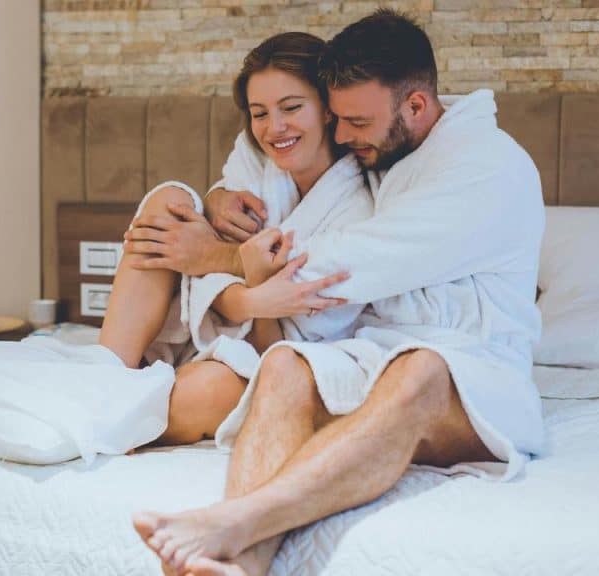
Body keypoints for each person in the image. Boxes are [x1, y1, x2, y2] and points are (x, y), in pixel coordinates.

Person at [130, 9, 546, 575]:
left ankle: (237, 520)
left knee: (422, 369)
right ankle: (241, 567)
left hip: (474, 367)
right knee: (284, 366)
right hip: (375, 351)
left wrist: (215, 256)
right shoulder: (392, 150)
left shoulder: (486, 169)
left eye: (354, 121)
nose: (342, 135)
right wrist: (220, 192)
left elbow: (354, 261)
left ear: (416, 106)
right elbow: (265, 146)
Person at [98, 32, 372, 446]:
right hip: (212, 323)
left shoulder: (357, 208)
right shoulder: (255, 155)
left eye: (292, 107)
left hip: (269, 354)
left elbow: (282, 346)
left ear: (329, 109)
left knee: (206, 389)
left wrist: (239, 282)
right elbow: (206, 254)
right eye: (259, 113)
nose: (274, 128)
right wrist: (243, 287)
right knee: (169, 200)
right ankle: (106, 375)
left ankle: (114, 420)